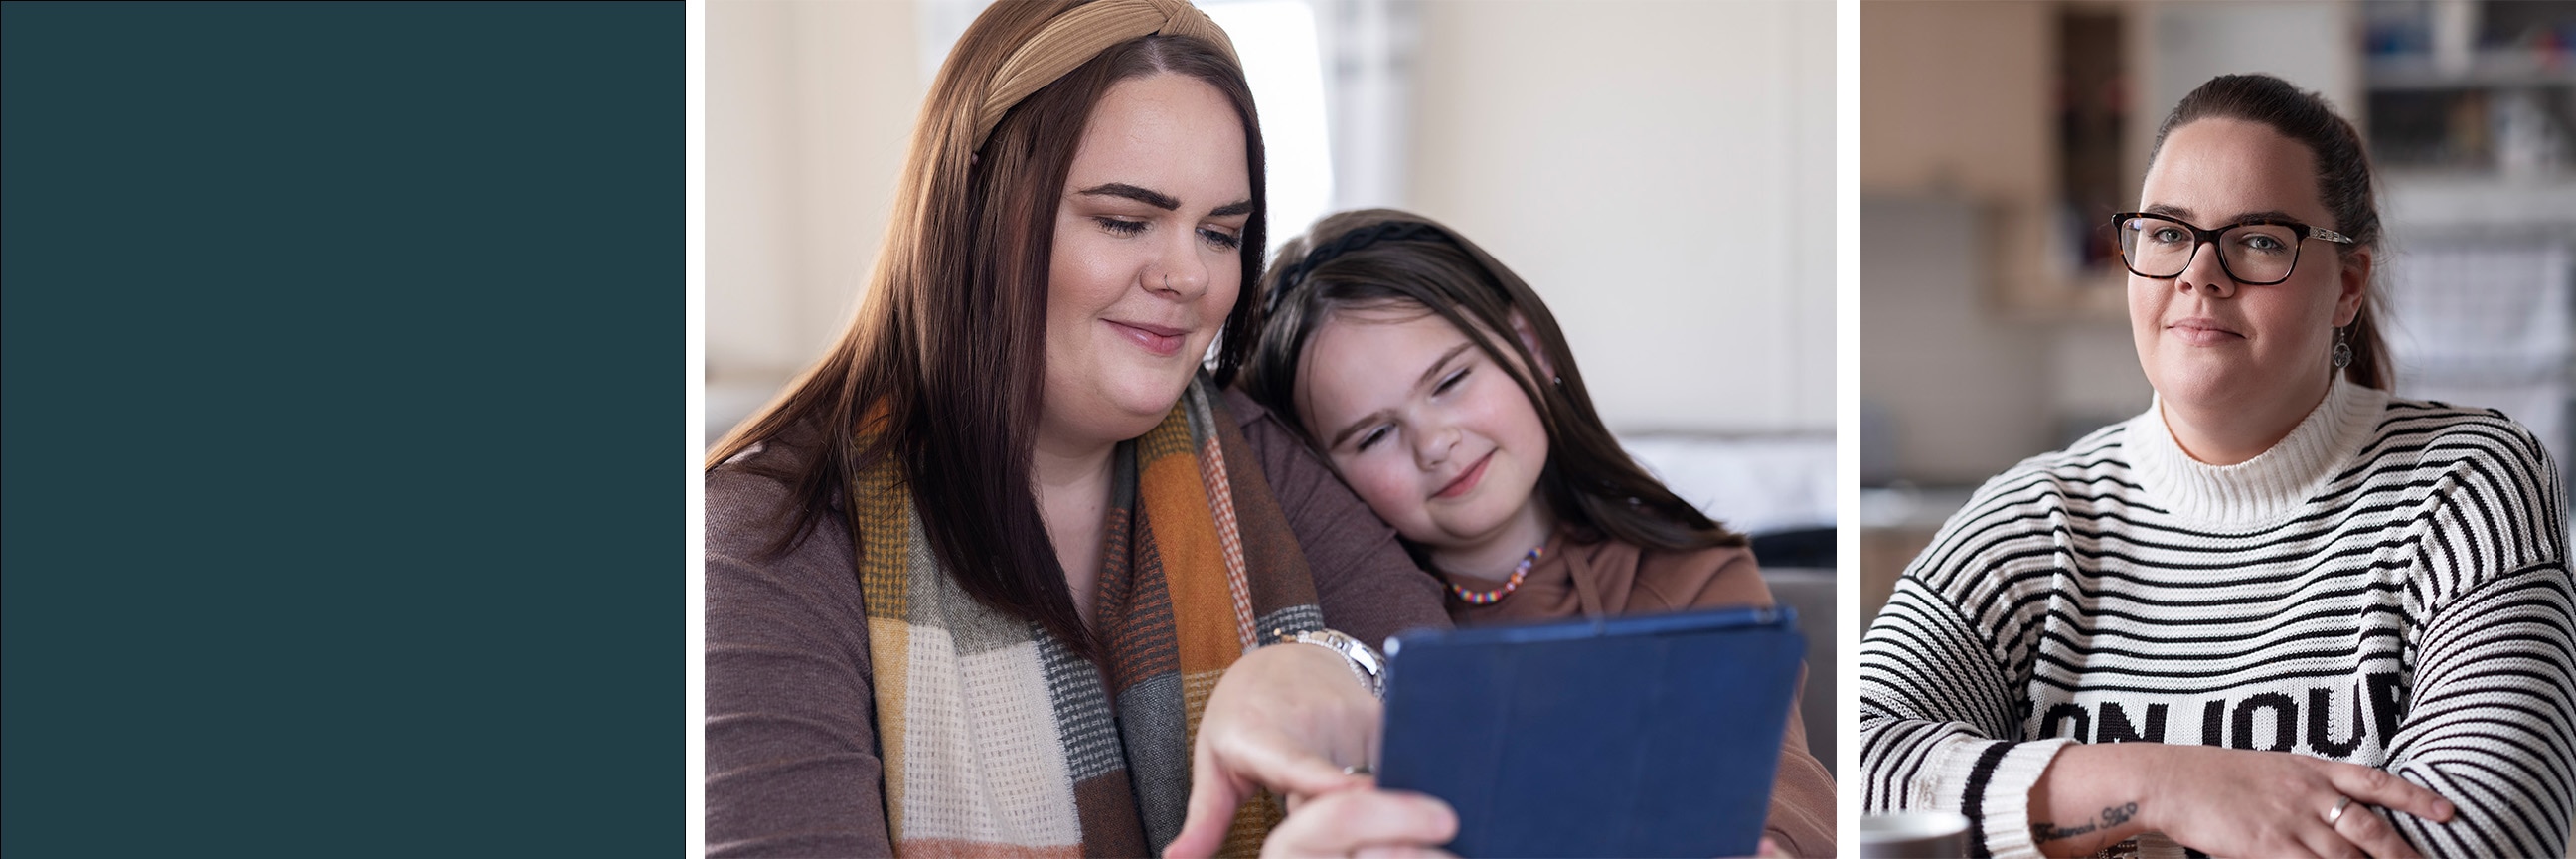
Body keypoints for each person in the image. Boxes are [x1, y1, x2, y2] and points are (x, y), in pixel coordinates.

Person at [704, 2, 1459, 855]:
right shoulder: (764, 539)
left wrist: (1330, 664)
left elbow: (1461, 697)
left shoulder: (1251, 449)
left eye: (1221, 233)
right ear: (977, 210)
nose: (1189, 276)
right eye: (1123, 220)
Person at [1858, 73, 2574, 859]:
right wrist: (2168, 784)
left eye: (2260, 240)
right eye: (2167, 233)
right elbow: (1860, 768)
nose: (2200, 273)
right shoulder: (2030, 523)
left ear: (2348, 284)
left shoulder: (2464, 485)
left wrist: (2069, 817)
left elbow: (2490, 836)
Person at [1238, 209, 1837, 857]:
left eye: (1451, 380)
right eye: (1375, 434)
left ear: (1530, 346)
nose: (1435, 444)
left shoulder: (1688, 576)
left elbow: (1779, 785)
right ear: (1324, 476)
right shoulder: (1337, 632)